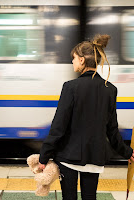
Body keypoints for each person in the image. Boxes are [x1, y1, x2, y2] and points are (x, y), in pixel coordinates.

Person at [38, 34, 134, 200]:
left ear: (82, 60)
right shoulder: (109, 89)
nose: (72, 62)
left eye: (74, 58)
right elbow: (112, 128)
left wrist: (44, 156)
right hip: (94, 157)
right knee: (90, 197)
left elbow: (59, 126)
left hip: (68, 157)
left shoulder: (70, 87)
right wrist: (126, 152)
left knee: (69, 197)